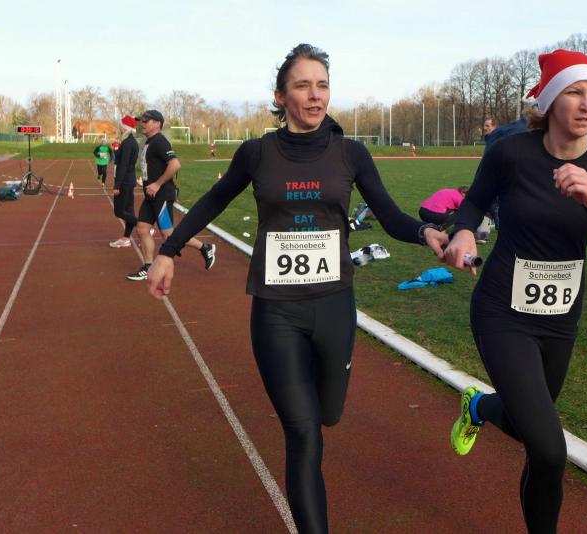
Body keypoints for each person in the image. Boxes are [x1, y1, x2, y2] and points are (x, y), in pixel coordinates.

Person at [145, 44, 447, 534]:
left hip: (333, 307)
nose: (315, 95)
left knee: (328, 415)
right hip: (277, 312)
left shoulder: (350, 153)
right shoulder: (257, 153)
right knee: (303, 433)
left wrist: (424, 232)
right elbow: (213, 201)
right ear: (280, 96)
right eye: (303, 86)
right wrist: (168, 250)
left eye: (322, 85)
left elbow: (389, 214)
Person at [443, 49, 587, 534]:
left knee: (526, 428)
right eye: (574, 92)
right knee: (549, 450)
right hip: (502, 310)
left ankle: (478, 406)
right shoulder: (511, 152)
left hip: (560, 320)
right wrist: (463, 230)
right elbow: (475, 201)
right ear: (550, 100)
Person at [125, 109, 217, 281]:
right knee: (142, 229)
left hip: (161, 196)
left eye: (146, 121)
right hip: (151, 196)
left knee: (168, 235)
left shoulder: (160, 141)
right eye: (141, 121)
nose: (142, 124)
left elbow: (175, 164)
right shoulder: (149, 142)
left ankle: (205, 247)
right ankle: (148, 267)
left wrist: (157, 184)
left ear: (157, 124)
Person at [109, 115, 139, 248]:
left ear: (124, 128)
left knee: (119, 211)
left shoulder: (127, 143)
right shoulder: (131, 142)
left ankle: (143, 226)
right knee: (129, 211)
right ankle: (126, 238)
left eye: (120, 126)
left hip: (125, 181)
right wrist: (116, 149)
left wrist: (117, 185)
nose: (119, 128)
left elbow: (123, 165)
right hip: (129, 180)